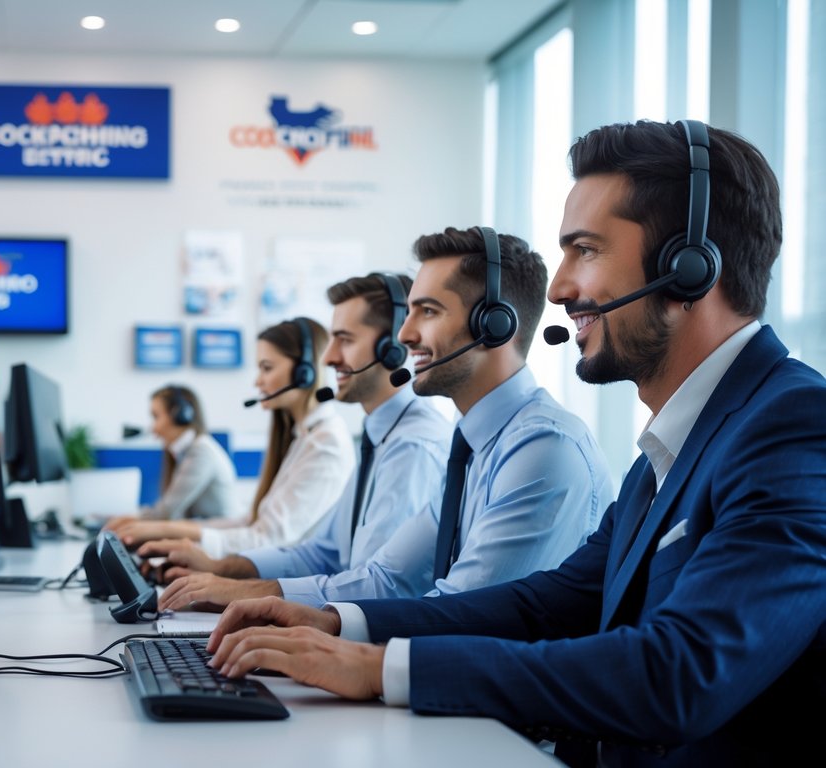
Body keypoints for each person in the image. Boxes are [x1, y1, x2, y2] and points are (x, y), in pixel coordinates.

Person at [206, 120, 826, 767]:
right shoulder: (665, 455)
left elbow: (679, 675)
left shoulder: (794, 427)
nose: (558, 289)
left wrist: (384, 668)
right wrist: (339, 625)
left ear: (687, 266)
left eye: (584, 250)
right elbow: (547, 605)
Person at [156, 229, 611, 611]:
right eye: (409, 311)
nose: (407, 334)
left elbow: (461, 613)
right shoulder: (470, 446)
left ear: (493, 324)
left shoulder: (539, 449)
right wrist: (231, 582)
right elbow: (381, 575)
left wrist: (273, 608)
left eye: (427, 311)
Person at [137, 273, 451, 606]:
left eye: (344, 339)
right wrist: (221, 568)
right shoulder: (378, 435)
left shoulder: (412, 446)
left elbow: (379, 588)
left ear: (392, 348)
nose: (328, 359)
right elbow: (324, 553)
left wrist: (236, 590)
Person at [110, 318, 353, 557]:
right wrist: (172, 533)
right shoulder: (302, 438)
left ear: (305, 374)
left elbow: (268, 539)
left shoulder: (325, 444)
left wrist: (170, 533)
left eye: (266, 368)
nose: (257, 381)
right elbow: (252, 522)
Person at [106, 385, 236, 523]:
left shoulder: (201, 452)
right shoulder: (185, 451)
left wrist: (126, 519)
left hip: (218, 536)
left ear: (180, 415)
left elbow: (164, 513)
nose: (153, 428)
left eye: (156, 417)